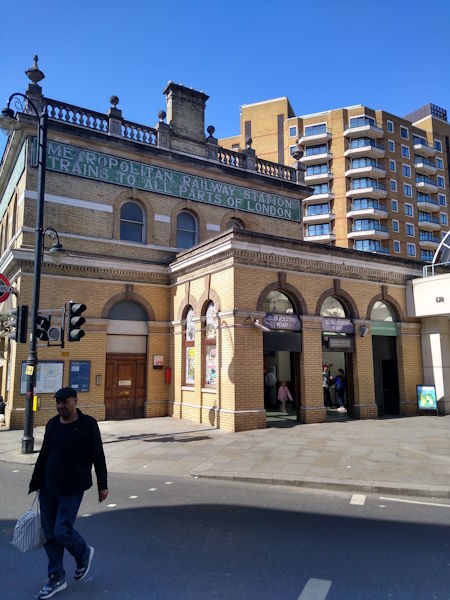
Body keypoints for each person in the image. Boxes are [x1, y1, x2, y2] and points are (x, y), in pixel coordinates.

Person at [29, 387, 108, 599]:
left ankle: (83, 553)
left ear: (75, 401)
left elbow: (98, 455)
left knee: (62, 530)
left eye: (65, 402)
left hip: (72, 487)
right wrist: (37, 481)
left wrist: (103, 484)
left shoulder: (88, 425)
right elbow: (45, 454)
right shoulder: (53, 424)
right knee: (50, 535)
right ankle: (56, 577)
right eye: (58, 402)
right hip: (48, 486)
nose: (61, 406)